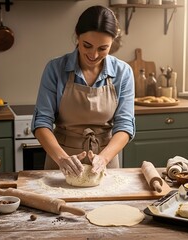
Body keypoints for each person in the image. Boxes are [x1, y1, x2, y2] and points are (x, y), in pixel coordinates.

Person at [31, 5, 135, 177]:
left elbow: (125, 125)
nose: (93, 55)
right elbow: (42, 122)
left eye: (103, 48)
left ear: (112, 43)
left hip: (105, 162)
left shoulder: (123, 72)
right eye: (87, 45)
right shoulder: (55, 69)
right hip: (61, 162)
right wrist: (62, 159)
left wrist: (103, 159)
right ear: (77, 37)